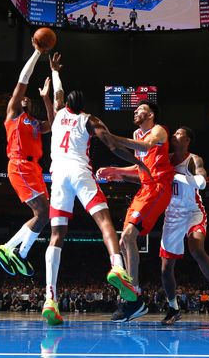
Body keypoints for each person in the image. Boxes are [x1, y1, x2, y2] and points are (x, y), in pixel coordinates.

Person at [40, 53, 151, 325]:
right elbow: (114, 147)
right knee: (104, 223)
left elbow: (57, 92)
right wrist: (139, 163)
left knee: (56, 237)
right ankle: (117, 266)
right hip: (80, 173)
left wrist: (54, 70)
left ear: (66, 104)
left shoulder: (56, 116)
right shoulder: (90, 121)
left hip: (58, 177)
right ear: (84, 106)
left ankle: (50, 299)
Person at [97, 101, 175, 321]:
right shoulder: (135, 134)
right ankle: (134, 297)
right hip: (145, 188)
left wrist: (112, 138)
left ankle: (134, 296)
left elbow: (146, 146)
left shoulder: (158, 130)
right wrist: (116, 171)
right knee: (124, 241)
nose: (135, 111)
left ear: (150, 114)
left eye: (140, 109)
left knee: (129, 236)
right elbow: (139, 167)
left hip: (159, 187)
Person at [158, 127, 209, 325]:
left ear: (187, 140)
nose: (174, 135)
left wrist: (173, 176)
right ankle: (173, 308)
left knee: (196, 249)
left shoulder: (194, 159)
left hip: (193, 212)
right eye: (174, 133)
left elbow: (201, 182)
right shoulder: (165, 159)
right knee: (166, 268)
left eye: (179, 133)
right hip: (172, 216)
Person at [0, 39, 55, 278]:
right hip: (19, 164)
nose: (25, 99)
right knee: (42, 213)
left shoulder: (36, 124)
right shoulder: (13, 114)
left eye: (30, 99)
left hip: (34, 168)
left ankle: (15, 251)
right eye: (22, 98)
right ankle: (14, 250)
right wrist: (37, 54)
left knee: (45, 215)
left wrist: (47, 98)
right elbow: (22, 81)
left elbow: (56, 123)